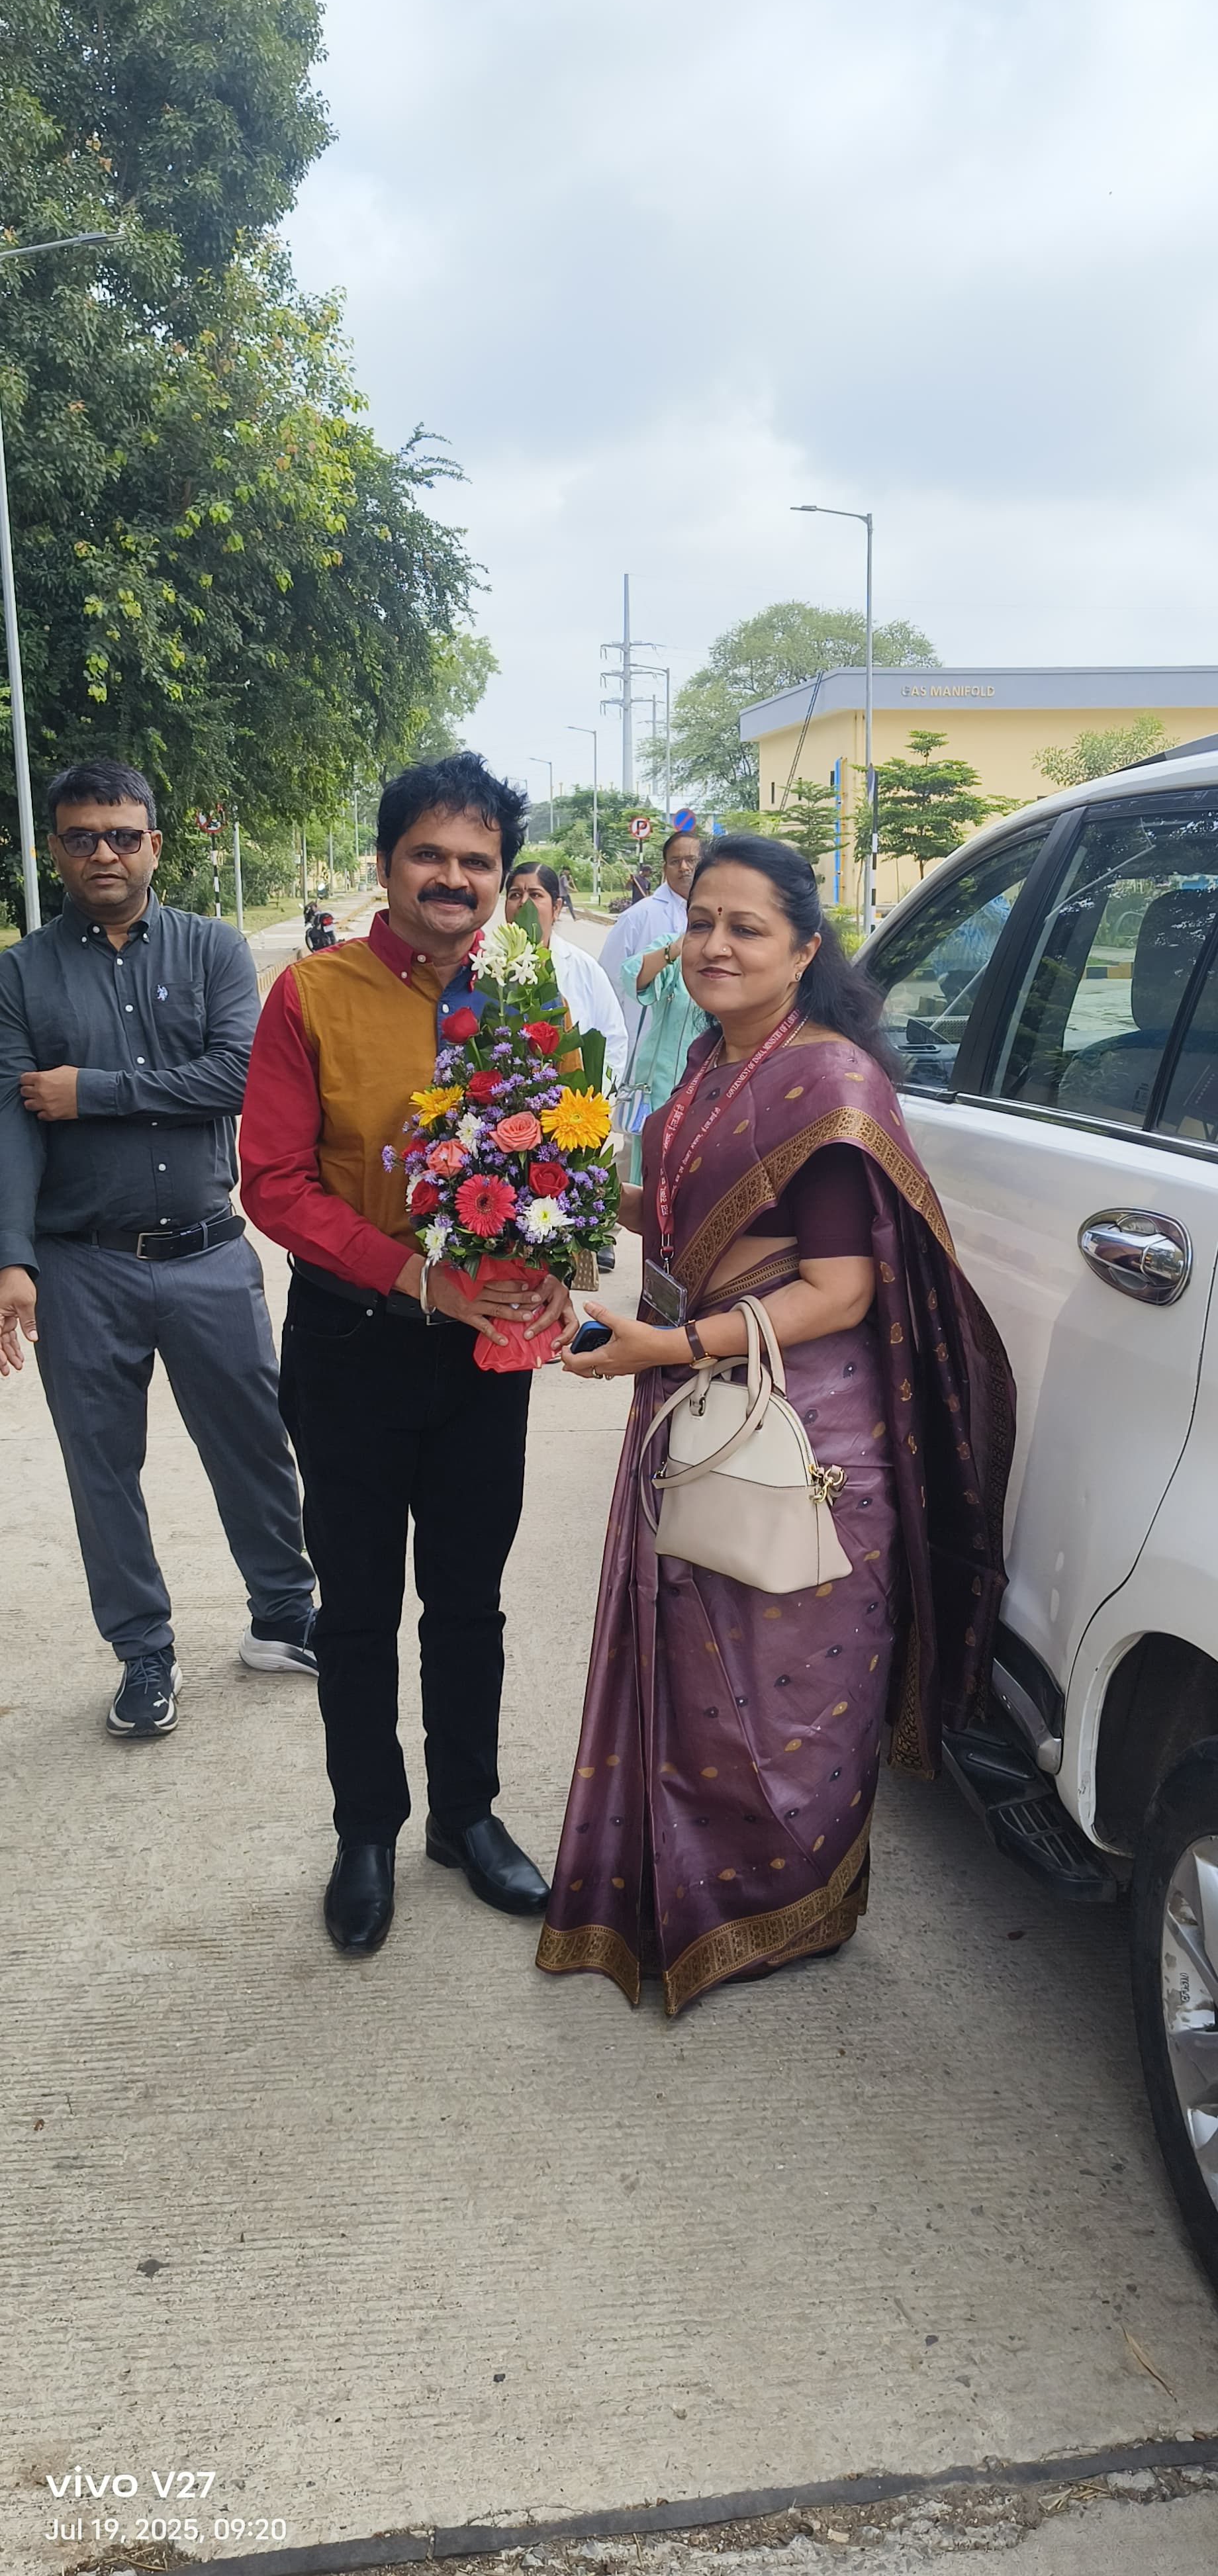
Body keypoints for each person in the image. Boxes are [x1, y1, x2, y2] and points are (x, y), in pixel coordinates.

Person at [538, 833, 1013, 2015]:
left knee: (784, 1683)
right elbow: (688, 1205)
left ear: (804, 950)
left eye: (746, 928)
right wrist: (561, 1188)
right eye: (701, 922)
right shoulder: (711, 1059)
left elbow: (840, 1291)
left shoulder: (829, 1084)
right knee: (698, 1664)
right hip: (705, 1391)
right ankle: (691, 1887)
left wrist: (667, 1347)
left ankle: (783, 1904)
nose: (714, 945)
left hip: (795, 1428)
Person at [240, 753, 577, 1957]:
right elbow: (273, 1183)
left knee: (469, 1599)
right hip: (353, 1344)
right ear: (385, 866)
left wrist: (556, 1262)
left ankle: (466, 1817)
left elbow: (561, 1161)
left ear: (502, 877)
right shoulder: (312, 995)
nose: (451, 876)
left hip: (485, 1357)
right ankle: (366, 1831)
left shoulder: (527, 992)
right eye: (428, 853)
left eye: (475, 859)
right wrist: (417, 1274)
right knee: (358, 1605)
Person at [0, 760, 316, 1742]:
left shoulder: (213, 948)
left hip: (208, 1252)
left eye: (122, 835)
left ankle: (283, 1614)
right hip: (81, 1261)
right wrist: (12, 1257)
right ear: (53, 850)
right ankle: (143, 1650)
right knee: (102, 1466)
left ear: (154, 845)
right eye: (81, 836)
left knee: (254, 1442)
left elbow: (237, 1075)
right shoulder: (20, 973)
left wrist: (88, 1091)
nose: (103, 852)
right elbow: (11, 1122)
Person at [503, 862, 629, 1085]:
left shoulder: (585, 968)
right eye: (515, 895)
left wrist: (596, 1098)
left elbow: (614, 1038)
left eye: (535, 894)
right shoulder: (493, 969)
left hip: (574, 1101)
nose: (523, 903)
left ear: (557, 907)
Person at [618, 933, 710, 1184]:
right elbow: (631, 974)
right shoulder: (676, 945)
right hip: (661, 1091)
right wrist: (674, 950)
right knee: (649, 1179)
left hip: (711, 1095)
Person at [600, 829, 701, 1049]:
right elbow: (608, 983)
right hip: (641, 1042)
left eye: (691, 860)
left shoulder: (720, 915)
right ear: (665, 869)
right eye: (675, 861)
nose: (684, 867)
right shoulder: (637, 917)